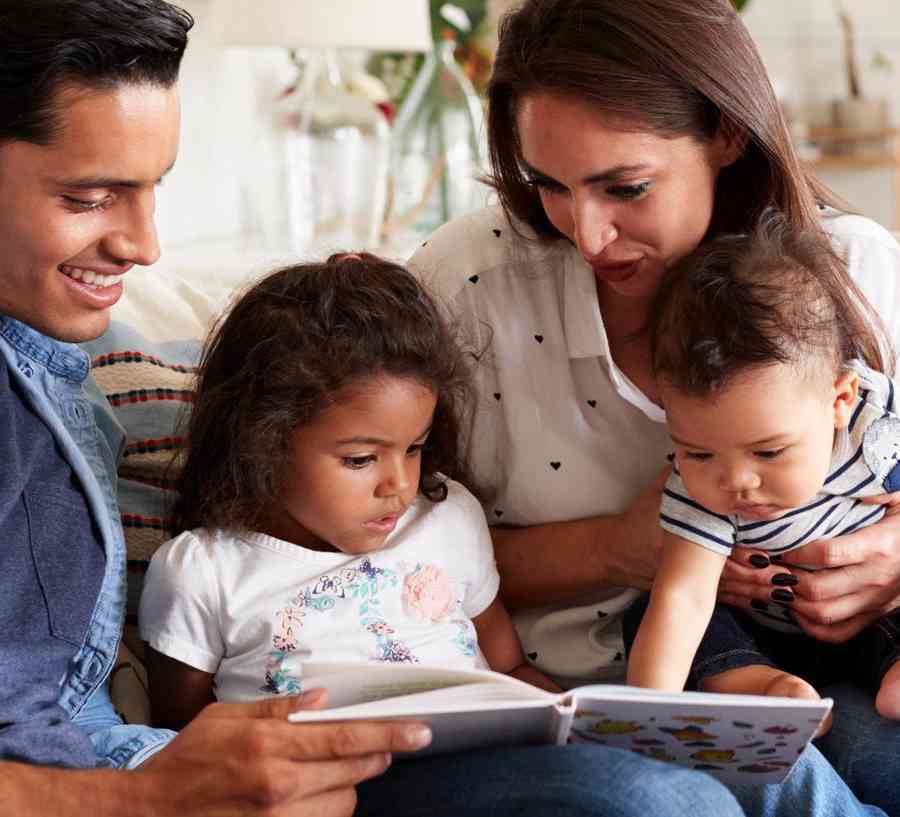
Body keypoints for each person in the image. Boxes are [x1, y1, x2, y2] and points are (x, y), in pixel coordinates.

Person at [0, 2, 751, 815]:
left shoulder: (47, 377)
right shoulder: (205, 558)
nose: (147, 245)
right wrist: (158, 794)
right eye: (88, 197)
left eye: (153, 191)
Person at [408, 0, 900, 812]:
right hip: (567, 696)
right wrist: (614, 548)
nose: (588, 235)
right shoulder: (469, 286)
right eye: (550, 186)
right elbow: (371, 551)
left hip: (835, 669)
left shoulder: (856, 274)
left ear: (727, 134)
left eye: (625, 186)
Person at [139, 253, 559, 727]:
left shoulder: (449, 516)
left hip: (483, 766)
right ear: (262, 442)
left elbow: (509, 668)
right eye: (360, 459)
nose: (400, 486)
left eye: (415, 448)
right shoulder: (203, 572)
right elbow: (182, 744)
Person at [623, 213, 900, 726]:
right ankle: (761, 685)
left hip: (874, 619)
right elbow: (684, 598)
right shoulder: (694, 490)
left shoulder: (877, 424)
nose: (736, 482)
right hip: (766, 637)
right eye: (699, 453)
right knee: (652, 612)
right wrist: (644, 722)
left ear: (840, 399)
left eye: (769, 452)